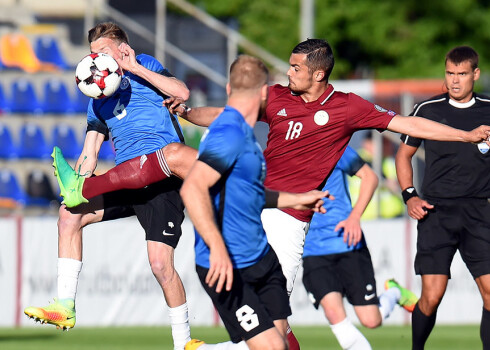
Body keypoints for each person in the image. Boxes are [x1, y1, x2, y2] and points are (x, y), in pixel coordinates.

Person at [170, 38, 490, 348]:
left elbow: (408, 125)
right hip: (253, 209)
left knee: (275, 325)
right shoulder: (277, 96)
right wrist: (187, 112)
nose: (289, 73)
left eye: (296, 68)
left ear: (318, 73)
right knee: (266, 322)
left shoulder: (348, 107)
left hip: (290, 220)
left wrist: (464, 136)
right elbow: (228, 115)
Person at [24, 22, 193, 350]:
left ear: (122, 49)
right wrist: (78, 183)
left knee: (160, 265)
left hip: (162, 177)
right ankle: (65, 306)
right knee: (69, 215)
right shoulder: (97, 94)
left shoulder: (145, 65)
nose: (96, 59)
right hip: (127, 179)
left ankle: (183, 343)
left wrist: (134, 68)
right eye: (93, 53)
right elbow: (90, 151)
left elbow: (182, 93)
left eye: (103, 52)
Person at [180, 54, 329, 350]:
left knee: (281, 341)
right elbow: (192, 189)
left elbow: (250, 194)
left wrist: (298, 200)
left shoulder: (245, 135)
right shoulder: (229, 133)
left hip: (261, 259)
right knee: (271, 347)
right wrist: (218, 248)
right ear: (265, 92)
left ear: (227, 88)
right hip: (227, 266)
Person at [395, 46, 490, 350]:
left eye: (462, 74)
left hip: (479, 212)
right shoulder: (427, 110)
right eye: (450, 73)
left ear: (475, 74)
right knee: (432, 296)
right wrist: (410, 195)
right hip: (436, 212)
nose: (455, 80)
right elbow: (403, 156)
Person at [303, 145, 418, 350]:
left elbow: (370, 177)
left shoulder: (332, 144)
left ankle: (394, 293)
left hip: (347, 242)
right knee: (334, 314)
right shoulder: (281, 153)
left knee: (371, 320)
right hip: (313, 250)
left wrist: (355, 217)